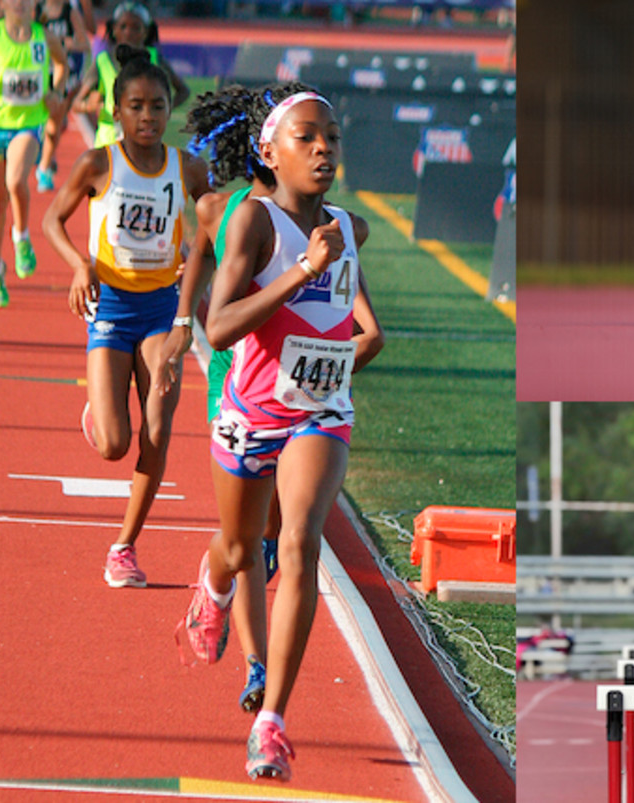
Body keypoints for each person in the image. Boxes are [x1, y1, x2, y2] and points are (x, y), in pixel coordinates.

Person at [174, 85, 383, 782]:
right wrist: (303, 271)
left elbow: (363, 330)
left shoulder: (351, 228)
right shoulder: (254, 224)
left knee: (296, 542)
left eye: (331, 137)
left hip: (319, 413)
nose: (323, 148)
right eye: (306, 137)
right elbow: (221, 325)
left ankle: (272, 723)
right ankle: (213, 579)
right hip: (249, 413)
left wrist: (341, 359)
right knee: (237, 547)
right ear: (269, 151)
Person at [42, 45, 211, 588]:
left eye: (157, 106)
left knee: (157, 431)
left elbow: (211, 230)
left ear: (169, 111)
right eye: (136, 106)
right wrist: (78, 264)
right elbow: (52, 220)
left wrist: (193, 268)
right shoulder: (99, 164)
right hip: (112, 305)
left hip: (163, 309)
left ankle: (124, 547)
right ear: (117, 113)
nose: (147, 116)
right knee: (115, 445)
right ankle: (99, 412)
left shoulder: (188, 168)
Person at [0, 0, 68, 308]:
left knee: (15, 180)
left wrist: (54, 91)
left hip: (28, 124)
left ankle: (21, 236)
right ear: (2, 3)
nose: (19, 3)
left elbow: (62, 65)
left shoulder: (43, 37)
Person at [73, 2, 188, 150]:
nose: (128, 32)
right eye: (123, 27)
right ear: (114, 29)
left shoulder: (154, 59)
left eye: (135, 27)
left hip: (143, 142)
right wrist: (88, 105)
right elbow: (76, 103)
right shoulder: (103, 61)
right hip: (108, 144)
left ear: (146, 32)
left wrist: (162, 109)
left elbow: (183, 91)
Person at [35, 0, 91, 191]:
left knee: (56, 123)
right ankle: (45, 159)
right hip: (38, 73)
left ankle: (45, 165)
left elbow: (85, 44)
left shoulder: (69, 12)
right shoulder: (36, 8)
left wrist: (68, 43)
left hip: (61, 73)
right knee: (46, 124)